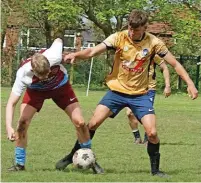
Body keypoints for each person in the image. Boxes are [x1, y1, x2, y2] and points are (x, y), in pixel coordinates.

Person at [56, 9, 198, 177]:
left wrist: (190, 84)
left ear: (144, 27)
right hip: (116, 91)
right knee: (92, 124)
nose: (132, 32)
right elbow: (93, 51)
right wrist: (76, 54)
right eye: (130, 28)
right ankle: (71, 156)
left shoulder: (154, 43)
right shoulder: (119, 37)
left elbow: (174, 64)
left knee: (152, 133)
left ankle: (155, 171)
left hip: (141, 95)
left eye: (136, 30)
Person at [5, 38, 97, 172]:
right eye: (42, 75)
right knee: (22, 124)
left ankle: (91, 161)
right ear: (33, 70)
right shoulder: (23, 74)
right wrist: (8, 127)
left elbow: (59, 39)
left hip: (61, 87)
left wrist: (66, 56)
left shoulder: (54, 55)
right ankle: (19, 164)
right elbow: (11, 103)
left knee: (80, 122)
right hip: (36, 91)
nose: (46, 77)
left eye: (48, 72)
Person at [127, 56, 171, 145]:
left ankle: (148, 138)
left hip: (149, 89)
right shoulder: (133, 52)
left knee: (146, 114)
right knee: (129, 113)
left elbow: (165, 67)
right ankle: (137, 137)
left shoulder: (153, 54)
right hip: (134, 88)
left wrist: (167, 86)